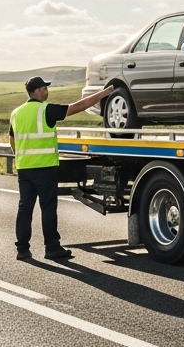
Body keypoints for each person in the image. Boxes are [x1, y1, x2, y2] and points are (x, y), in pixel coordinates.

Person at [11, 76, 115, 260]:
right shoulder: (46, 110)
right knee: (48, 208)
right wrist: (105, 93)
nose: (46, 91)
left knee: (24, 208)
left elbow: (12, 140)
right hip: (44, 168)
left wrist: (22, 157)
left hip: (24, 169)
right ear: (35, 92)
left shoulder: (16, 112)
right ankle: (52, 248)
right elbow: (79, 106)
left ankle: (22, 250)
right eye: (43, 89)